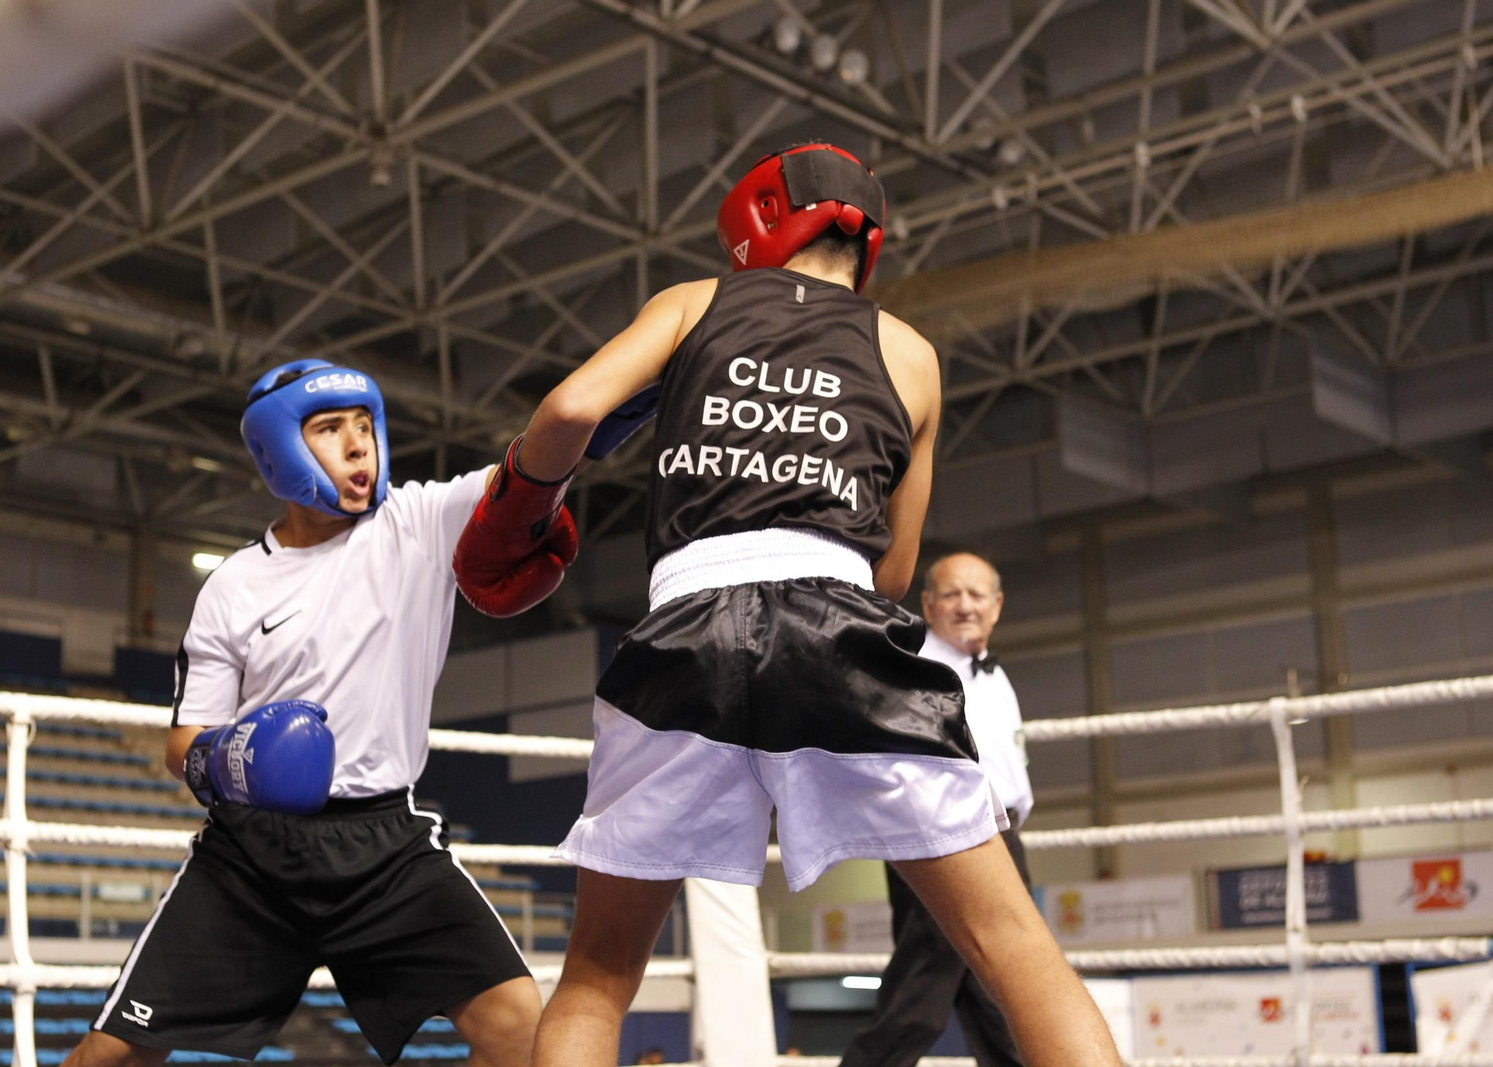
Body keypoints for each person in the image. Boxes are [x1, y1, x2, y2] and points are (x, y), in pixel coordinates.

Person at [452, 143, 1119, 1066]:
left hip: (682, 633)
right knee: (1016, 951)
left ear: (758, 222)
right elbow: (895, 572)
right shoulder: (912, 354)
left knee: (598, 979)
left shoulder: (693, 303)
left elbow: (569, 412)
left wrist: (522, 499)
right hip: (842, 625)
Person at [63, 359, 540, 1067]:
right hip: (252, 858)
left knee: (519, 1027)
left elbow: (535, 461)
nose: (357, 444)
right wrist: (239, 759)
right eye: (329, 428)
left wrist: (619, 401)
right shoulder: (234, 584)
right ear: (280, 449)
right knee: (111, 1056)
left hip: (386, 847)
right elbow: (182, 742)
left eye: (364, 425)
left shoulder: (417, 522)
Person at [841, 552, 1034, 1067]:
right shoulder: (915, 668)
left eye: (976, 595)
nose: (965, 606)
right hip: (942, 835)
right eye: (952, 595)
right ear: (928, 605)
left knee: (1000, 1000)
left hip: (1000, 834)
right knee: (920, 995)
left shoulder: (995, 676)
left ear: (997, 605)